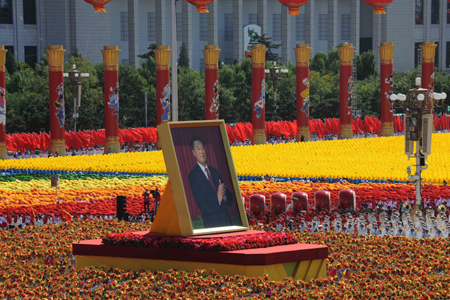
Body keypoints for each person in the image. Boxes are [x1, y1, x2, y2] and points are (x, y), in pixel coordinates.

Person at [188, 135, 233, 228]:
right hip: (212, 224)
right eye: (198, 149)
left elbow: (230, 200)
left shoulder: (214, 171)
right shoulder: (193, 176)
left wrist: (223, 195)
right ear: (193, 153)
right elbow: (203, 206)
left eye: (203, 148)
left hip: (226, 221)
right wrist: (217, 198)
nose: (201, 152)